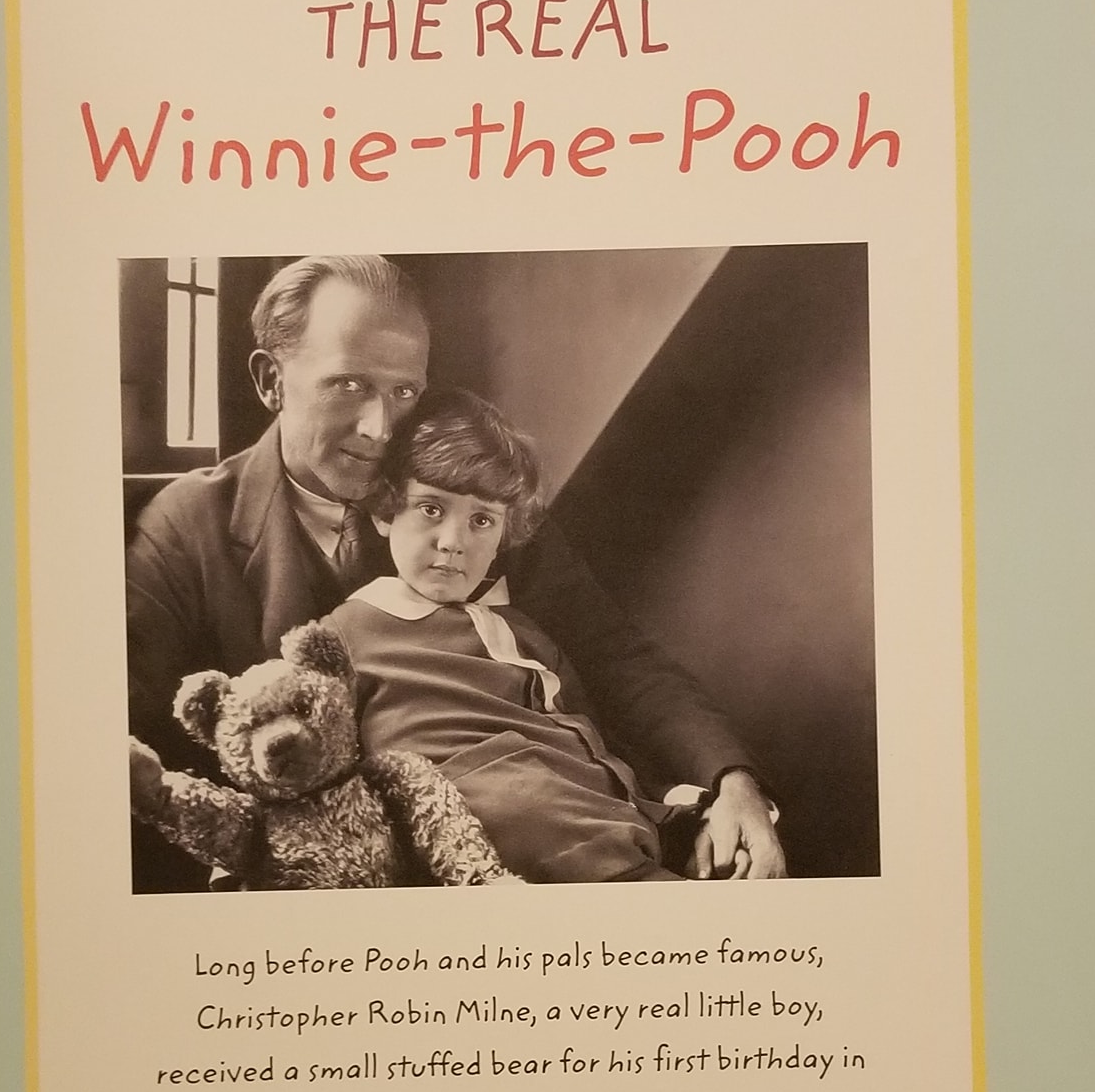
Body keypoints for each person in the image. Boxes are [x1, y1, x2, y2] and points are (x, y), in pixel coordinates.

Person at [124, 253, 784, 888]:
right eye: (348, 384)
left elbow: (612, 654)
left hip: (538, 848)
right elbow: (132, 760)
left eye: (403, 390)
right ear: (271, 380)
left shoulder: (467, 490)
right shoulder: (186, 528)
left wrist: (732, 782)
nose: (381, 427)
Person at [329, 391, 710, 882]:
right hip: (480, 824)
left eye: (481, 521)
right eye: (430, 509)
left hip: (587, 825)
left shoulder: (522, 630)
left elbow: (589, 742)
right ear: (385, 512)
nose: (452, 542)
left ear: (503, 537)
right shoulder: (347, 629)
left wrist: (667, 806)